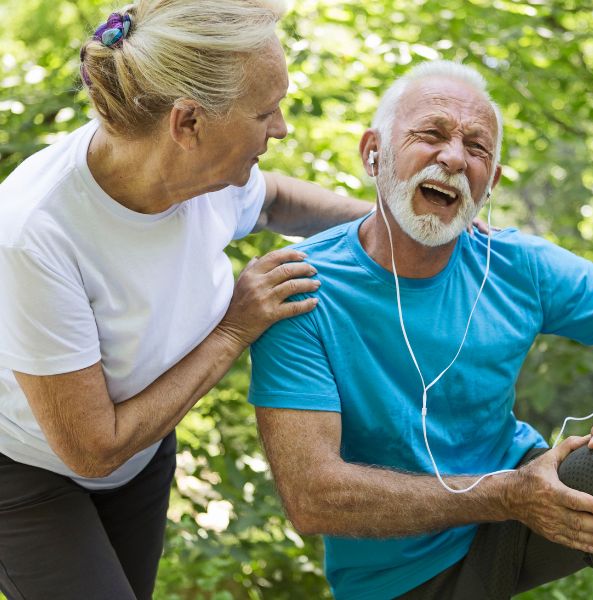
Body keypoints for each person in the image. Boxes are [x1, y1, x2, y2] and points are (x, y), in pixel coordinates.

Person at [248, 60, 593, 600]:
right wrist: (505, 495)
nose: (454, 158)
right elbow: (313, 497)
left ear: (490, 183)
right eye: (430, 134)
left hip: (519, 511)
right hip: (396, 573)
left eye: (477, 149)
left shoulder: (514, 263)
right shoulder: (300, 288)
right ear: (372, 153)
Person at [0, 1, 374, 598]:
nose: (281, 128)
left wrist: (387, 224)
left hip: (142, 451)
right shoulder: (35, 234)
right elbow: (91, 449)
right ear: (188, 123)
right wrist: (233, 329)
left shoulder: (204, 175)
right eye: (265, 111)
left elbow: (275, 200)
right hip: (33, 470)